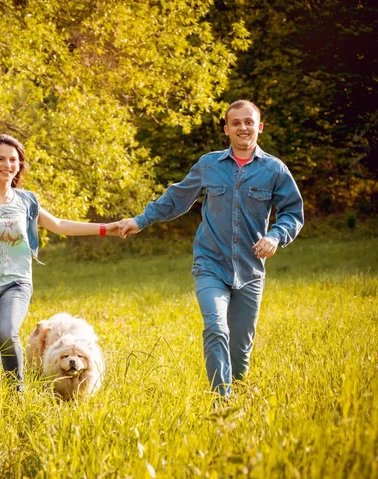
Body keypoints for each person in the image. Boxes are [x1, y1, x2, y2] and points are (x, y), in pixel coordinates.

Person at [118, 100, 304, 398]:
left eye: (248, 121)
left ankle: (237, 397)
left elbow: (292, 213)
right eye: (236, 123)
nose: (243, 127)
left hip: (250, 269)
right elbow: (176, 198)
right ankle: (222, 401)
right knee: (216, 328)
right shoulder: (209, 164)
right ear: (227, 129)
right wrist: (141, 220)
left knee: (240, 347)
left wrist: (275, 236)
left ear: (259, 126)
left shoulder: (274, 170)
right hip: (210, 264)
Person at [0, 134, 119, 391]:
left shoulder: (27, 201)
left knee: (6, 332)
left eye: (13, 160)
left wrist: (106, 228)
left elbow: (60, 225)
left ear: (19, 164)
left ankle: (17, 394)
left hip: (15, 283)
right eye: (1, 159)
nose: (8, 164)